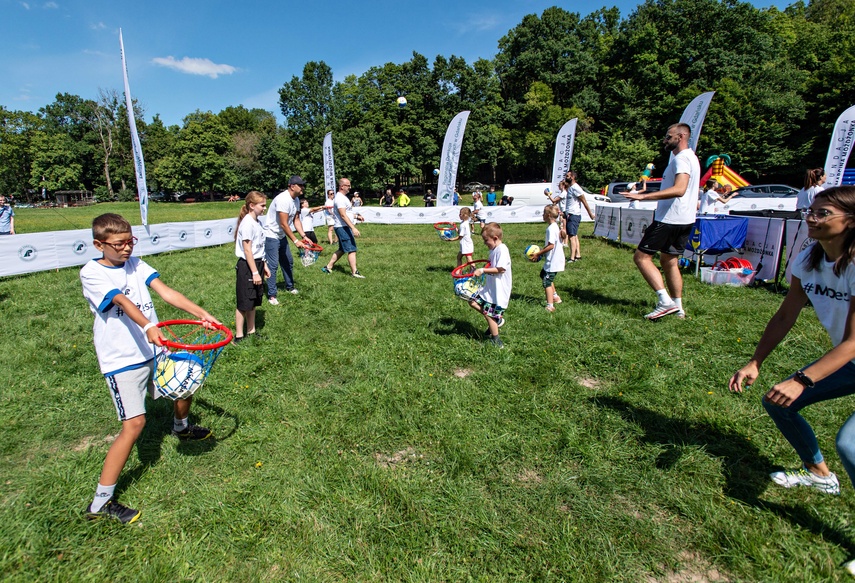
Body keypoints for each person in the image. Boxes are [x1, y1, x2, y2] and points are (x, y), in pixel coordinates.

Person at [80, 213, 221, 523]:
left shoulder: (135, 263)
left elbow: (166, 291)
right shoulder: (92, 273)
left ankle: (181, 428)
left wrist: (202, 313)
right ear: (98, 244)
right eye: (119, 244)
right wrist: (147, 327)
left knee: (185, 380)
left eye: (130, 241)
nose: (127, 248)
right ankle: (99, 504)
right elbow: (123, 302)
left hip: (153, 347)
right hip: (122, 358)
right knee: (135, 425)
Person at [729, 186, 855, 503]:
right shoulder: (808, 258)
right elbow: (786, 315)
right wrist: (755, 361)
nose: (811, 217)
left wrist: (802, 380)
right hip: (851, 363)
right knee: (777, 402)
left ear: (851, 221)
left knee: (850, 445)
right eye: (811, 210)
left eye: (823, 213)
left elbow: (854, 342)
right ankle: (819, 474)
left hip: (851, 354)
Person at [624, 123, 701, 320]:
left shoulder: (682, 159)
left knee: (641, 258)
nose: (665, 140)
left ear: (681, 136)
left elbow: (679, 189)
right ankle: (678, 308)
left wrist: (643, 198)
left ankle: (664, 301)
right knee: (669, 261)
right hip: (685, 219)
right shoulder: (692, 158)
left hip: (670, 218)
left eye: (669, 137)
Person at [262, 176, 308, 303]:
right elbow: (284, 224)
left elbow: (296, 220)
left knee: (288, 261)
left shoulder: (296, 199)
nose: (303, 187)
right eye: (300, 185)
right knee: (272, 265)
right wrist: (295, 240)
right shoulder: (283, 199)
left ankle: (290, 286)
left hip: (281, 235)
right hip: (271, 235)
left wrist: (303, 236)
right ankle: (272, 295)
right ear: (292, 186)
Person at [234, 191, 270, 342]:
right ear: (251, 205)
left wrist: (264, 265)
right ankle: (239, 336)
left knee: (254, 300)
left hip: (257, 263)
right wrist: (255, 272)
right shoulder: (247, 223)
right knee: (244, 302)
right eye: (262, 205)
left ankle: (251, 331)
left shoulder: (257, 222)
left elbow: (258, 248)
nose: (264, 208)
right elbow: (247, 250)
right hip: (248, 266)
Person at [468, 222, 511, 348]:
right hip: (490, 288)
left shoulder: (502, 250)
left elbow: (501, 269)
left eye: (486, 240)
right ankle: (496, 321)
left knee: (489, 314)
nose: (484, 243)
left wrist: (482, 270)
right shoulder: (494, 250)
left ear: (495, 238)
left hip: (498, 290)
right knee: (472, 301)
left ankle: (496, 340)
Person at [321, 177, 365, 278]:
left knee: (342, 249)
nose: (350, 187)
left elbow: (347, 213)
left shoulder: (343, 198)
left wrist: (357, 217)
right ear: (342, 186)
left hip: (343, 226)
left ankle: (328, 267)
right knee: (351, 249)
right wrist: (353, 228)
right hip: (342, 227)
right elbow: (342, 215)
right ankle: (354, 272)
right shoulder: (340, 199)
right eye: (348, 185)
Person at [531, 205, 565, 312]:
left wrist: (538, 253)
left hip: (553, 261)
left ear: (548, 215)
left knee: (547, 282)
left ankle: (550, 305)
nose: (542, 215)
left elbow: (551, 246)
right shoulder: (555, 226)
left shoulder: (551, 229)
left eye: (544, 213)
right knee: (543, 275)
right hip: (555, 259)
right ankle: (555, 296)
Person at [564, 170, 595, 262]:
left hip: (574, 215)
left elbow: (584, 201)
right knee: (574, 235)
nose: (566, 177)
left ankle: (572, 258)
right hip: (570, 214)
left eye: (568, 176)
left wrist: (590, 214)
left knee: (571, 237)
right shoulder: (570, 187)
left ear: (573, 177)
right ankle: (578, 255)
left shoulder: (576, 188)